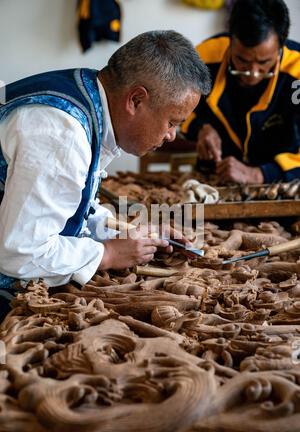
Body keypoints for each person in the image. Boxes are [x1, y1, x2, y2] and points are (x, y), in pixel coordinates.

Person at [0, 30, 211, 315]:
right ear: (136, 99)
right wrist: (109, 253)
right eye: (172, 121)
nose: (173, 135)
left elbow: (70, 204)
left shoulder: (89, 92)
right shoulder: (62, 133)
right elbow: (20, 254)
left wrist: (128, 233)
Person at [180, 0, 300, 184]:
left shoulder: (297, 70)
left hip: (285, 185)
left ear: (280, 47)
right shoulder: (205, 56)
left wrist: (260, 174)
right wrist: (200, 128)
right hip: (217, 180)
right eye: (241, 60)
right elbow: (178, 109)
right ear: (231, 39)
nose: (252, 74)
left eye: (264, 62)